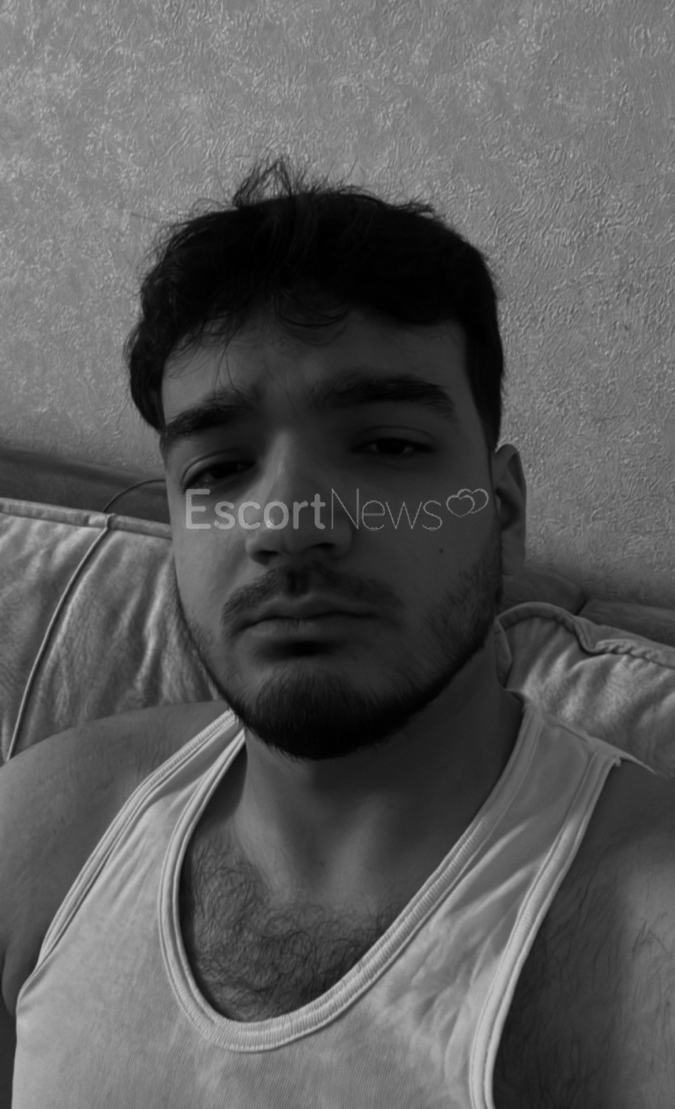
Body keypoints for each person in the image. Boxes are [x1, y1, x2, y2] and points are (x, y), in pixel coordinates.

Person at [1, 157, 673, 1108]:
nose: (286, 525)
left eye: (387, 445)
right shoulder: (51, 825)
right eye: (218, 470)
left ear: (501, 512)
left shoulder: (640, 933)